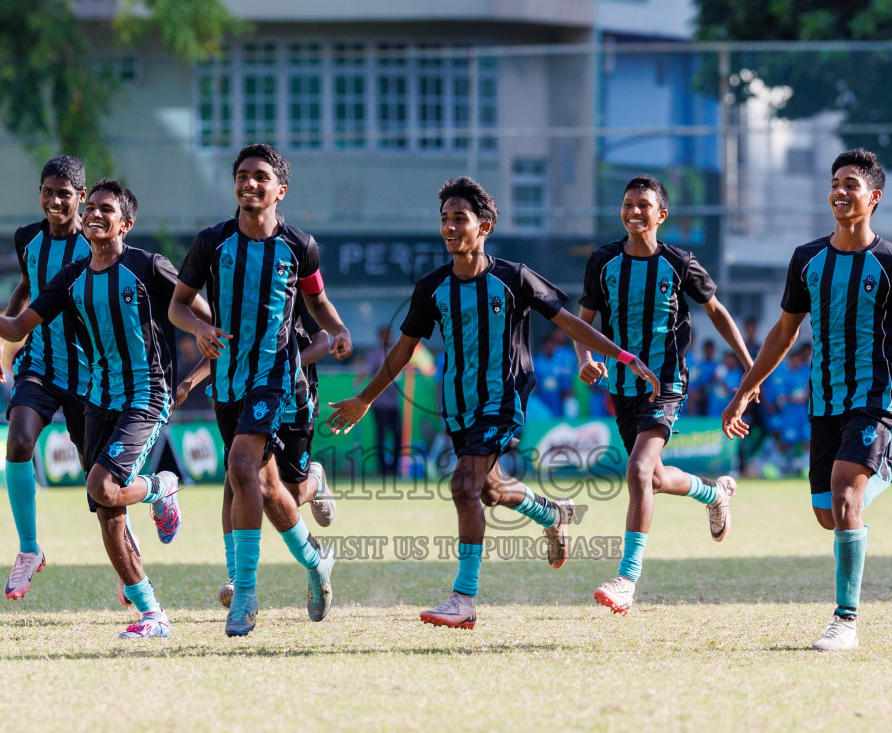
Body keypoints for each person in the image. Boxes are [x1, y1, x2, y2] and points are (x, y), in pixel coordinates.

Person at [326, 176, 661, 630]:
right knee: (489, 490)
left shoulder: (514, 277)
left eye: (458, 219)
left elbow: (569, 324)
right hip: (458, 404)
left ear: (484, 226)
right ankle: (552, 512)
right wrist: (365, 399)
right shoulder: (432, 287)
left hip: (503, 400)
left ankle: (463, 599)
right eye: (444, 219)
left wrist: (621, 355)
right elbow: (403, 349)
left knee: (463, 485)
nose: (449, 227)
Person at [720, 148, 892, 651]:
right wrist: (745, 390)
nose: (839, 190)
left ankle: (845, 621)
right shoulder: (807, 259)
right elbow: (784, 332)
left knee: (847, 497)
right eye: (835, 182)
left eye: (850, 183)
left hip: (875, 395)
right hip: (825, 398)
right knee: (827, 513)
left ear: (873, 197)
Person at [0, 179, 200, 638]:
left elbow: (197, 311)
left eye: (105, 209)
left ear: (126, 224)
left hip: (145, 396)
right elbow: (19, 325)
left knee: (103, 485)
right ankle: (152, 614)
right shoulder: (71, 276)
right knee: (104, 505)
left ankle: (159, 487)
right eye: (90, 207)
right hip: (98, 396)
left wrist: (201, 343)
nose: (93, 213)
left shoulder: (148, 266)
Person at [169, 143, 354, 638]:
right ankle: (315, 561)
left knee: (241, 467)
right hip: (227, 380)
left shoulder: (300, 245)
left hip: (276, 377)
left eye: (260, 176)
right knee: (272, 490)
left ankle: (245, 595)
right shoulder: (211, 243)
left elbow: (318, 302)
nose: (249, 183)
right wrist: (197, 329)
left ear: (280, 190)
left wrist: (337, 330)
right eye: (242, 175)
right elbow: (177, 306)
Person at [575, 175, 756, 615]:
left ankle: (626, 580)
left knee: (637, 469)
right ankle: (714, 494)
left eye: (643, 205)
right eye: (627, 204)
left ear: (662, 215)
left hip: (667, 382)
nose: (634, 211)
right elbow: (583, 320)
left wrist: (752, 367)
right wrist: (584, 355)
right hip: (622, 386)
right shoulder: (603, 260)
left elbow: (718, 312)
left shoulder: (679, 263)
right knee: (652, 478)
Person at [0, 156, 118, 601]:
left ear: (81, 197)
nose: (54, 201)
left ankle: (125, 563)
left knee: (99, 479)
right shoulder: (28, 239)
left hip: (89, 372)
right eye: (47, 191)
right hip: (39, 362)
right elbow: (27, 283)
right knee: (19, 440)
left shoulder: (94, 243)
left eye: (64, 193)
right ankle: (28, 550)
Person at [198, 300, 339, 611]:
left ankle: (314, 480)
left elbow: (322, 342)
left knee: (292, 495)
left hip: (293, 400)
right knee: (235, 480)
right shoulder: (236, 290)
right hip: (245, 400)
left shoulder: (292, 287)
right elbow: (222, 345)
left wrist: (279, 367)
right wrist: (188, 382)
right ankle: (236, 576)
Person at [363, 326, 404, 475]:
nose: (387, 338)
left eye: (389, 335)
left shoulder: (399, 352)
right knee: (380, 435)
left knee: (398, 435)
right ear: (380, 337)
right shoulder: (375, 354)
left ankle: (395, 468)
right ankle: (382, 469)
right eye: (384, 335)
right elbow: (365, 370)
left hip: (394, 404)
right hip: (379, 404)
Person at [687, 341, 720, 416]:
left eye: (710, 350)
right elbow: (697, 381)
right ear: (704, 350)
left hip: (712, 393)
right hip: (701, 391)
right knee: (692, 397)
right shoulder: (699, 365)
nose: (709, 352)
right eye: (707, 350)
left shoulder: (717, 365)